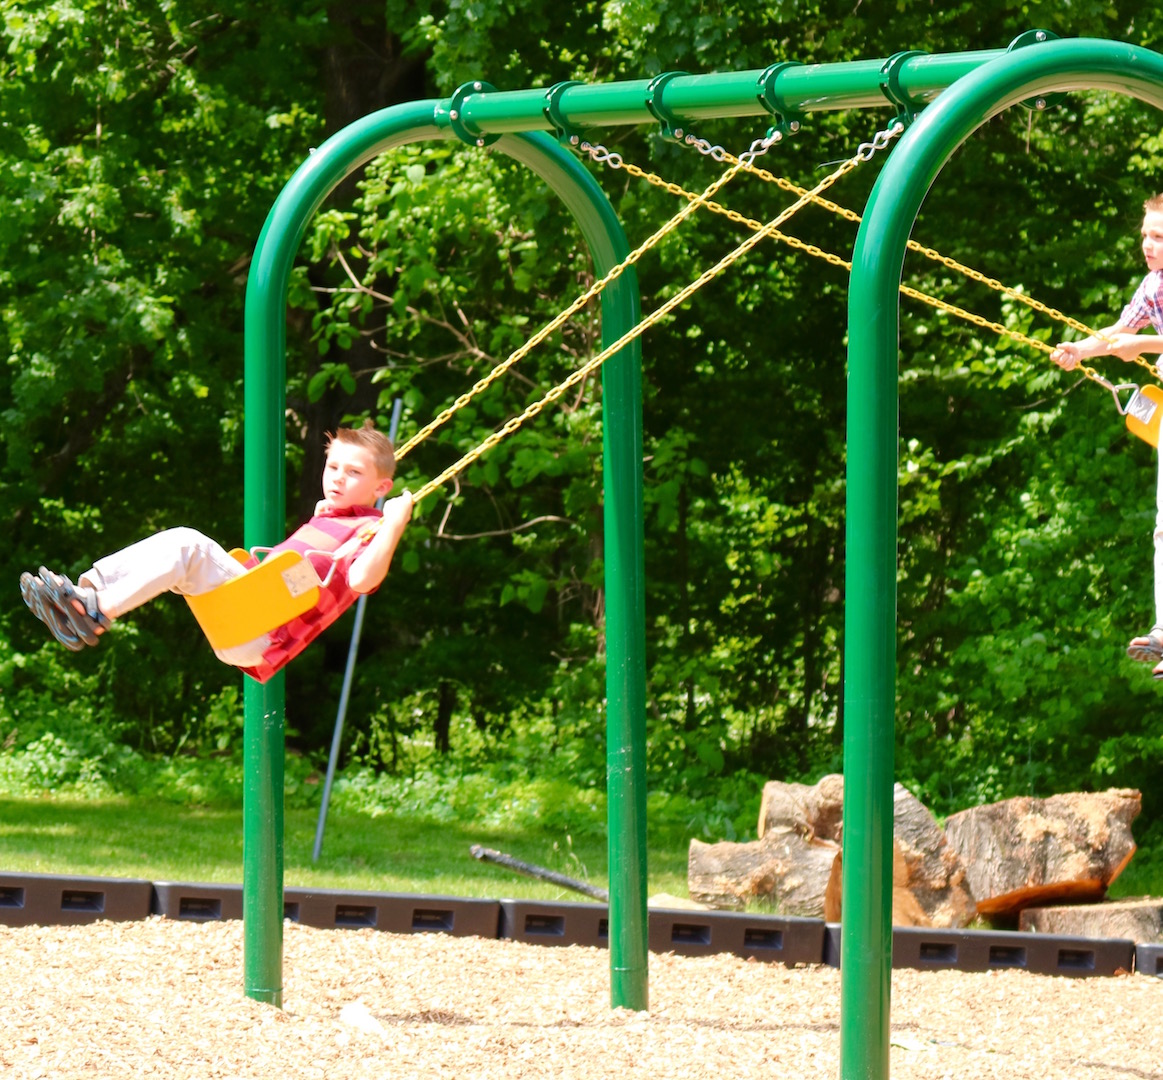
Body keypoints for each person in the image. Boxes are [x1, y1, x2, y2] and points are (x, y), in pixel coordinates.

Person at [19, 419, 413, 683]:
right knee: (180, 550)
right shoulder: (334, 520)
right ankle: (86, 602)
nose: (339, 478)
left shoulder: (369, 528)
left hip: (261, 629)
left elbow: (362, 579)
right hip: (243, 625)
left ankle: (91, 607)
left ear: (382, 488)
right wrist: (322, 520)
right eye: (333, 468)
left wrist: (393, 525)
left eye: (355, 473)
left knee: (187, 543)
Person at [1050, 193, 1163, 677]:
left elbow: (1137, 340)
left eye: (1158, 236)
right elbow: (1120, 331)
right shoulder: (1152, 287)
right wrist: (1082, 349)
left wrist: (1146, 343)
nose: (1147, 244)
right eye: (1145, 234)